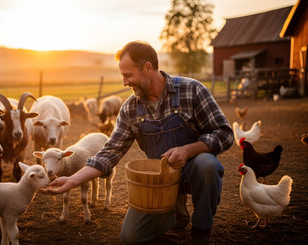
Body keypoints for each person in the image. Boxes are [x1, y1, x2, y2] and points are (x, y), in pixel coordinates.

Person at [41, 41, 234, 244]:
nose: (124, 82)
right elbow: (109, 153)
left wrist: (188, 149)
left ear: (148, 68)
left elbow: (225, 133)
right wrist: (72, 180)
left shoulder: (192, 90)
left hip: (192, 169)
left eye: (128, 75)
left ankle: (201, 232)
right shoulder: (130, 109)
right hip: (159, 179)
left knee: (207, 165)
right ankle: (173, 215)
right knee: (131, 237)